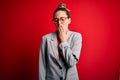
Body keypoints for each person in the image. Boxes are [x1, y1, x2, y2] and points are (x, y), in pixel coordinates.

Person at [39, 2, 82, 80]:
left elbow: (71, 62)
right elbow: (42, 66)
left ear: (69, 20)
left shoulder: (76, 37)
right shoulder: (46, 39)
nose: (59, 23)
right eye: (56, 20)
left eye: (62, 19)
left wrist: (64, 41)